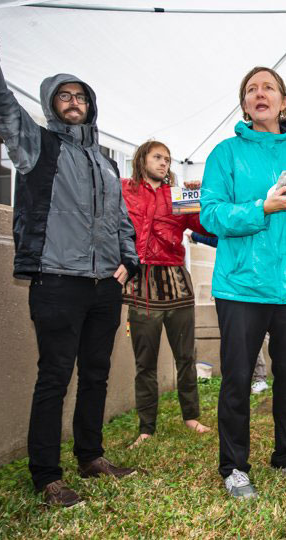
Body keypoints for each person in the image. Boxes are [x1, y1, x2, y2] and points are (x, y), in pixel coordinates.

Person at [0, 11, 140, 507]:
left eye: (81, 96)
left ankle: (91, 456)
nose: (74, 102)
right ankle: (46, 476)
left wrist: (128, 260)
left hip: (105, 288)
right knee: (54, 377)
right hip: (56, 282)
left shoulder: (106, 163)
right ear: (49, 103)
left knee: (98, 373)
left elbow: (121, 218)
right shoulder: (35, 145)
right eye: (65, 95)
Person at [199, 66, 286, 498]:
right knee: (237, 377)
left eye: (268, 88)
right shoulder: (225, 153)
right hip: (241, 287)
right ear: (245, 104)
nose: (260, 94)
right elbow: (211, 214)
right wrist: (262, 207)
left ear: (283, 101)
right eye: (251, 89)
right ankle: (234, 467)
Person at [121, 140, 213, 449]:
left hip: (176, 281)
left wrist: (200, 196)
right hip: (141, 282)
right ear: (142, 158)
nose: (164, 163)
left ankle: (191, 417)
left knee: (186, 356)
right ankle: (146, 427)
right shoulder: (125, 189)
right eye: (157, 157)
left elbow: (205, 226)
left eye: (167, 159)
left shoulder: (178, 195)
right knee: (144, 361)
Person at [189, 231, 270, 394]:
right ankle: (252, 379)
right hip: (235, 287)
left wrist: (194, 236)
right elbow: (219, 240)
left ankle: (259, 378)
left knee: (255, 335)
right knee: (243, 337)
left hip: (256, 286)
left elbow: (219, 240)